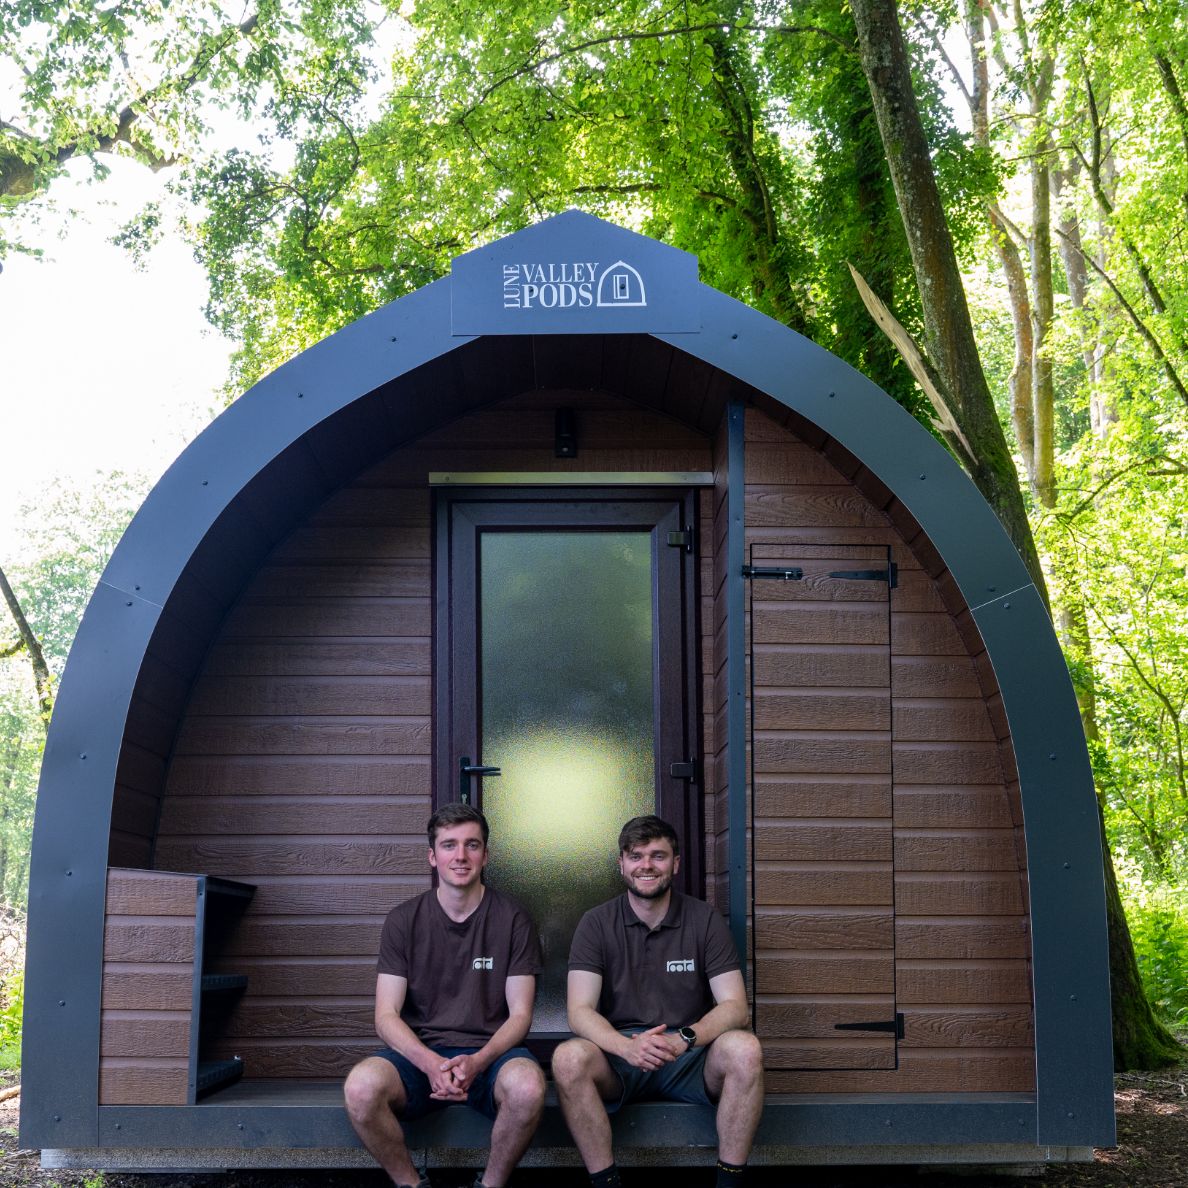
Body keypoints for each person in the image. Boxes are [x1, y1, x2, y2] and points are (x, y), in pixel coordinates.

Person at [552, 814, 764, 1188]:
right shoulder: (596, 923)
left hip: (689, 1056)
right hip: (622, 1060)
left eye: (658, 855)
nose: (646, 865)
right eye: (636, 856)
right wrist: (626, 1047)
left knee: (745, 1048)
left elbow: (735, 1007)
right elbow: (579, 1011)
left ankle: (729, 1183)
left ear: (675, 863)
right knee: (568, 1057)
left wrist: (684, 1038)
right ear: (621, 864)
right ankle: (607, 1183)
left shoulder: (704, 920)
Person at [343, 802, 546, 1188]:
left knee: (528, 1086)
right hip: (420, 1057)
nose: (461, 856)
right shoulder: (403, 920)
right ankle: (411, 1184)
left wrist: (480, 1061)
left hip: (492, 1054)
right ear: (432, 856)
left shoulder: (513, 919)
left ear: (486, 855)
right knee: (360, 1087)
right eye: (449, 845)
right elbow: (386, 1015)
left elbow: (521, 1015)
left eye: (472, 845)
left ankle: (490, 1184)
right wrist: (431, 1063)